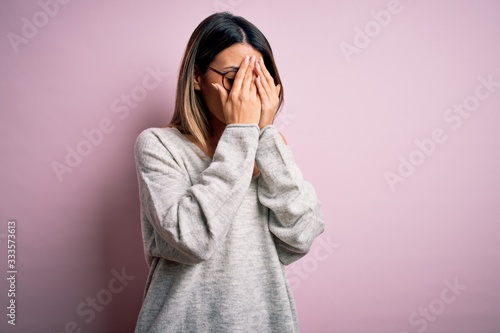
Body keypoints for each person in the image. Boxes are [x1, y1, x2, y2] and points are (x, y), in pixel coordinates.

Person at [133, 12, 324, 333]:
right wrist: (241, 133)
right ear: (196, 77)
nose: (244, 93)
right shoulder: (158, 145)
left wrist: (265, 137)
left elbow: (300, 238)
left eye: (256, 79)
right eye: (233, 77)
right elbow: (191, 240)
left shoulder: (270, 147)